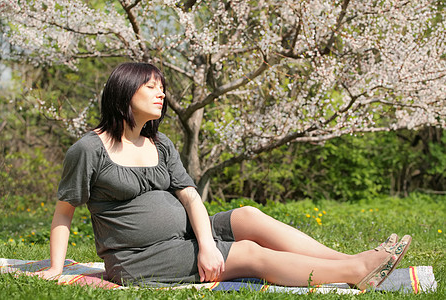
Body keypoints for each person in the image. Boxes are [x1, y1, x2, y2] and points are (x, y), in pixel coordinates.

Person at [36, 62, 411, 289]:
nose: (161, 94)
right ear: (122, 92)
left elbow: (190, 197)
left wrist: (208, 243)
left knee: (246, 214)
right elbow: (64, 211)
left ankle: (350, 258)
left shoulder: (160, 143)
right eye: (151, 87)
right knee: (248, 253)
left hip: (183, 235)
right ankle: (355, 270)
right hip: (140, 259)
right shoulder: (88, 150)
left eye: (162, 88)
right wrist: (55, 268)